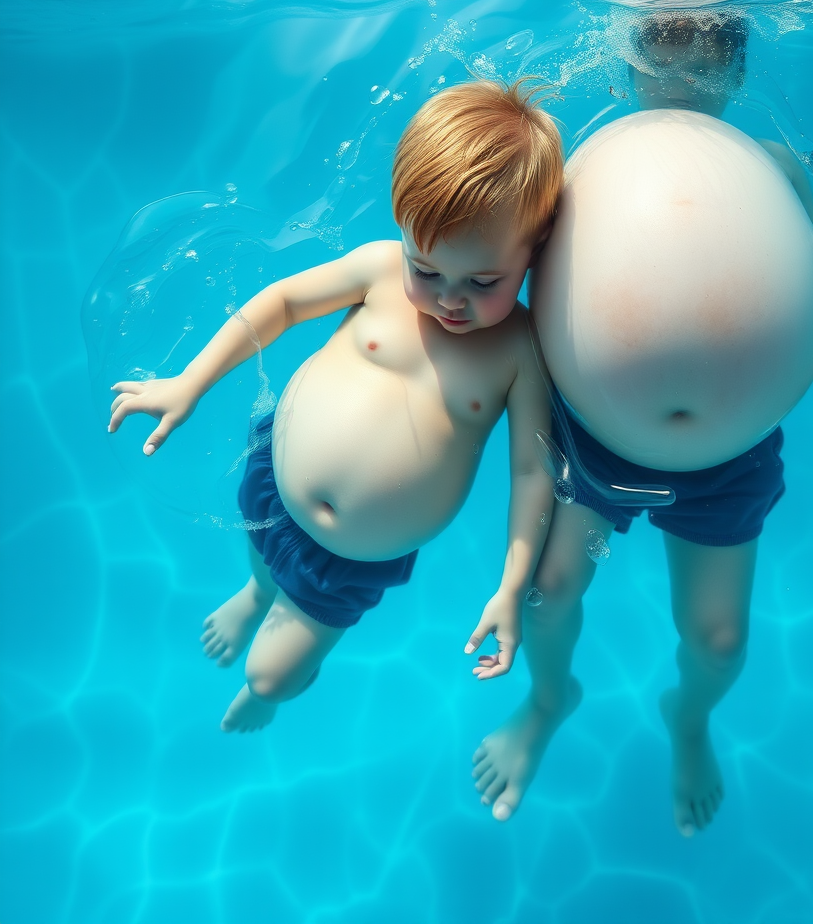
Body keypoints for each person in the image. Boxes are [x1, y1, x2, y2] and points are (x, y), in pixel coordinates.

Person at [470, 12, 813, 833]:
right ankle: (549, 700)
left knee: (720, 643)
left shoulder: (775, 169)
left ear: (738, 73)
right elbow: (508, 276)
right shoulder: (580, 167)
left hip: (727, 464)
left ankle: (689, 718)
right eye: (662, 69)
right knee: (549, 592)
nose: (683, 90)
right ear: (626, 69)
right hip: (594, 446)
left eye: (705, 72)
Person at [108, 80, 559, 732]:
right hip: (274, 481)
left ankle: (269, 696)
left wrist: (512, 587)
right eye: (426, 268)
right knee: (261, 556)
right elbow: (283, 304)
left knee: (272, 673)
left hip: (349, 562)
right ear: (403, 233)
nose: (448, 299)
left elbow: (531, 471)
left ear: (534, 250)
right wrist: (190, 382)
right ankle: (258, 592)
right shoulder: (379, 271)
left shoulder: (517, 349)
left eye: (483, 282)